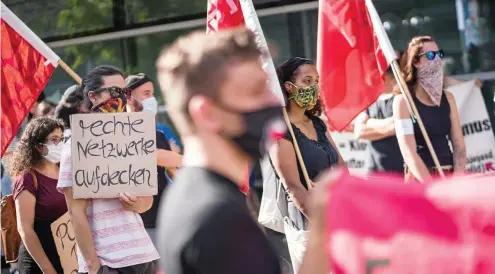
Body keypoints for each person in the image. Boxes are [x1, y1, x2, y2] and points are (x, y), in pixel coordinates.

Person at [156, 27, 328, 274]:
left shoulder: (200, 196)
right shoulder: (218, 217)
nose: (273, 101)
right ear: (207, 113)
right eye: (256, 91)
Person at [57, 65, 159, 274]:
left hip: (142, 255)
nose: (121, 97)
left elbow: (146, 202)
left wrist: (135, 203)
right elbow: (75, 212)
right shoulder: (76, 144)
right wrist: (94, 264)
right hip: (107, 263)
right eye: (115, 91)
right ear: (93, 96)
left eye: (125, 91)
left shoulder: (133, 138)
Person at [271, 57, 346, 226]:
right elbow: (293, 187)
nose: (314, 87)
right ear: (289, 87)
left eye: (316, 81)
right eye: (307, 81)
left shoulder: (318, 124)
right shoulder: (281, 131)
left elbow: (342, 166)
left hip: (337, 212)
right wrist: (324, 226)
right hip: (309, 222)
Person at [393, 36, 466, 182]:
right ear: (416, 62)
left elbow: (459, 145)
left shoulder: (448, 98)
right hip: (420, 179)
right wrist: (432, 187)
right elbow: (408, 152)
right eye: (431, 55)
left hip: (448, 177)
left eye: (439, 55)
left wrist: (457, 180)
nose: (437, 60)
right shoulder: (403, 101)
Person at [125, 73, 181, 243]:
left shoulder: (159, 134)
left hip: (164, 218)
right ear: (129, 96)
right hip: (139, 222)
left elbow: (172, 172)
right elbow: (154, 156)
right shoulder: (120, 132)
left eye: (152, 94)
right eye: (146, 94)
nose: (152, 99)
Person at [9, 117, 66, 274]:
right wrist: (47, 269)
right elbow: (25, 229)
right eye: (54, 139)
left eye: (61, 139)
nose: (59, 144)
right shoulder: (27, 178)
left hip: (67, 256)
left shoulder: (66, 170)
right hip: (40, 261)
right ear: (38, 146)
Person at [354, 67, 404, 174]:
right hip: (374, 169)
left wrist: (370, 123)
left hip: (399, 170)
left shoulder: (401, 99)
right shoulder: (372, 100)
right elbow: (359, 132)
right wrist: (389, 127)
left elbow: (396, 126)